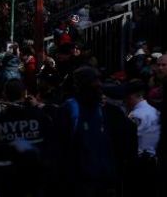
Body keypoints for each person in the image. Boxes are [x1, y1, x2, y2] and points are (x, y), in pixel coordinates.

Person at [53, 67, 137, 197]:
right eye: (94, 81)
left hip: (102, 180)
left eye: (98, 81)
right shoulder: (70, 110)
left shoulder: (104, 110)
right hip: (81, 182)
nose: (98, 85)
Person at [123, 79, 159, 196]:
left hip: (139, 164)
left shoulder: (135, 115)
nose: (124, 101)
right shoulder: (155, 111)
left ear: (131, 97)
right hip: (154, 161)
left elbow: (128, 141)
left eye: (126, 98)